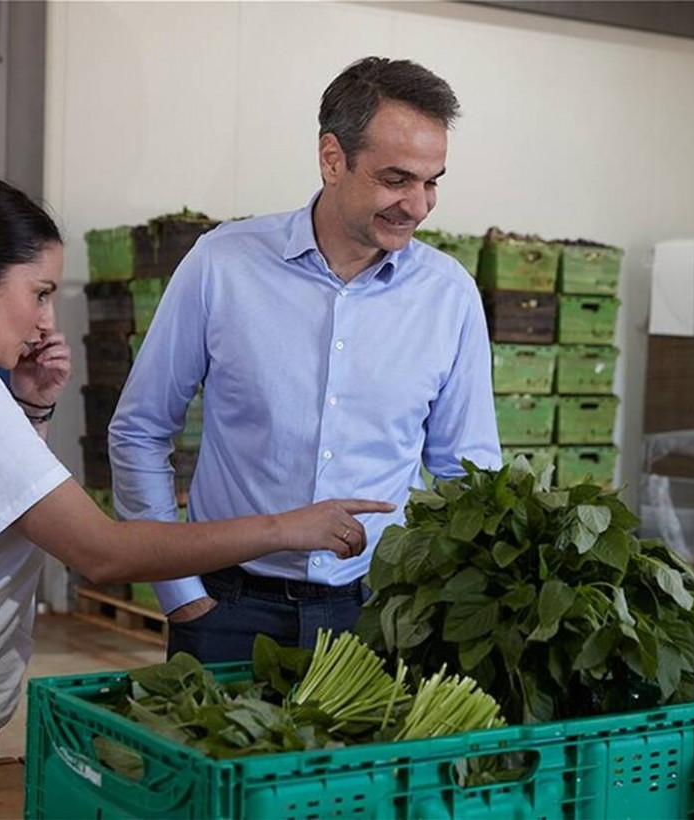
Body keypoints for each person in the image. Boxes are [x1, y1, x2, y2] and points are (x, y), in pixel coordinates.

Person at [0, 178, 394, 758]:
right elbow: (103, 552)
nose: (48, 321)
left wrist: (30, 410)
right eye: (41, 292)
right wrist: (287, 528)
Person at [109, 56, 501, 663]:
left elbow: (467, 472)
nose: (418, 205)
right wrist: (180, 594)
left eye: (432, 182)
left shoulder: (449, 296)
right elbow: (140, 428)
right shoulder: (222, 265)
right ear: (332, 158)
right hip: (226, 608)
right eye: (397, 179)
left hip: (379, 615)